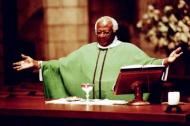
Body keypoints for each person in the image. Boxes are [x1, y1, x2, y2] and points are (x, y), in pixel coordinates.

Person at [13, 16, 182, 100]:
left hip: (120, 109)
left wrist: (166, 61)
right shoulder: (86, 50)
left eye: (106, 32)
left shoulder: (128, 49)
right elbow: (62, 65)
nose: (101, 36)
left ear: (114, 32)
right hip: (90, 105)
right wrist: (36, 63)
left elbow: (149, 64)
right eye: (99, 32)